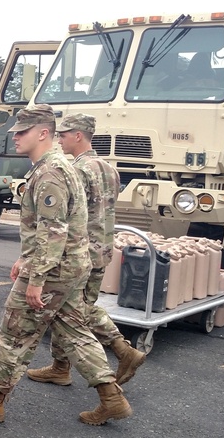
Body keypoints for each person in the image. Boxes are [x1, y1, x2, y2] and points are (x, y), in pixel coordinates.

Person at [0, 104, 132, 426]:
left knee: (14, 333)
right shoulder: (59, 166)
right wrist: (25, 258)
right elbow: (50, 226)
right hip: (70, 266)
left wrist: (36, 278)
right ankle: (111, 397)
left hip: (55, 269)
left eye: (22, 132)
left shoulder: (50, 172)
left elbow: (54, 231)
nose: (16, 138)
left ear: (43, 133)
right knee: (74, 329)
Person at [27, 113, 146, 387]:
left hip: (79, 252)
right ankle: (60, 366)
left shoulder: (78, 170)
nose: (60, 140)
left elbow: (67, 215)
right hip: (102, 249)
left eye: (64, 135)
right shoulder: (109, 168)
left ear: (78, 136)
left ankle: (121, 348)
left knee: (74, 309)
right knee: (73, 308)